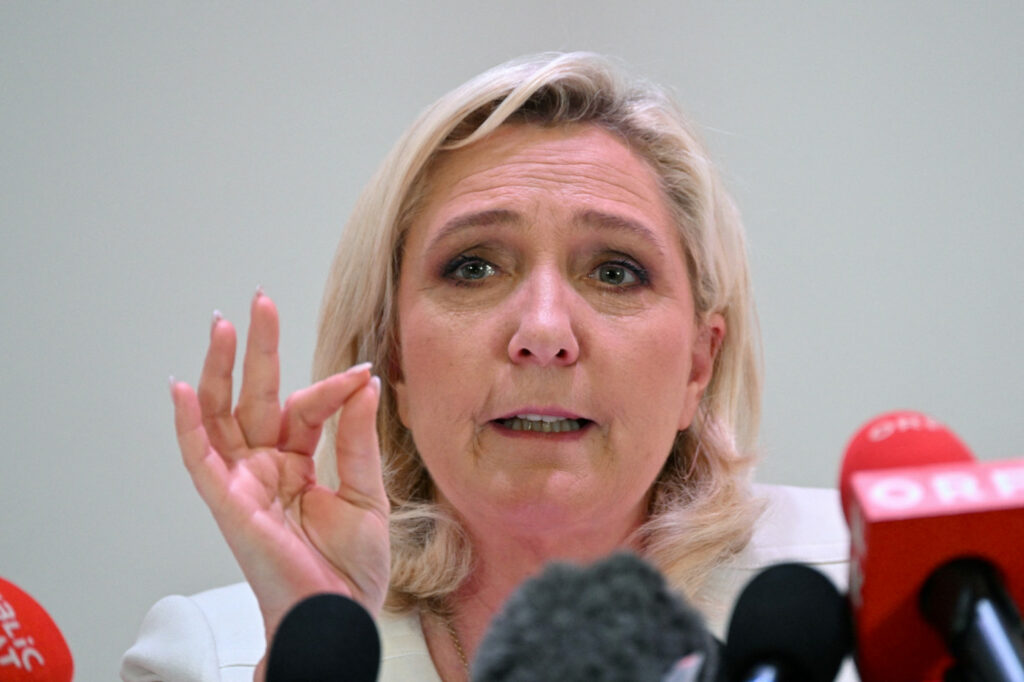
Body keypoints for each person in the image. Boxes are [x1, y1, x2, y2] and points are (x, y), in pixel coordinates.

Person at [122, 52, 851, 681]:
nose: (544, 332)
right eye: (474, 267)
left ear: (698, 363)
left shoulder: (875, 610)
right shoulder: (216, 658)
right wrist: (309, 655)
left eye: (615, 272)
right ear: (394, 360)